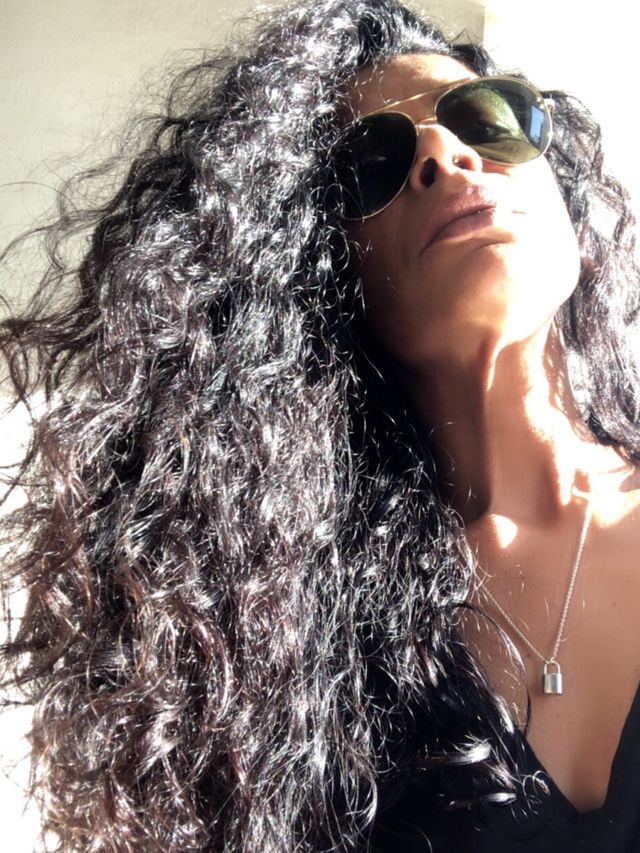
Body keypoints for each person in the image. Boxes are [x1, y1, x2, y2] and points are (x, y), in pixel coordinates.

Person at [1, 0, 639, 850]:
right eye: (372, 165)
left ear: (572, 209)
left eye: (485, 118)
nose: (443, 156)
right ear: (327, 282)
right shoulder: (297, 656)